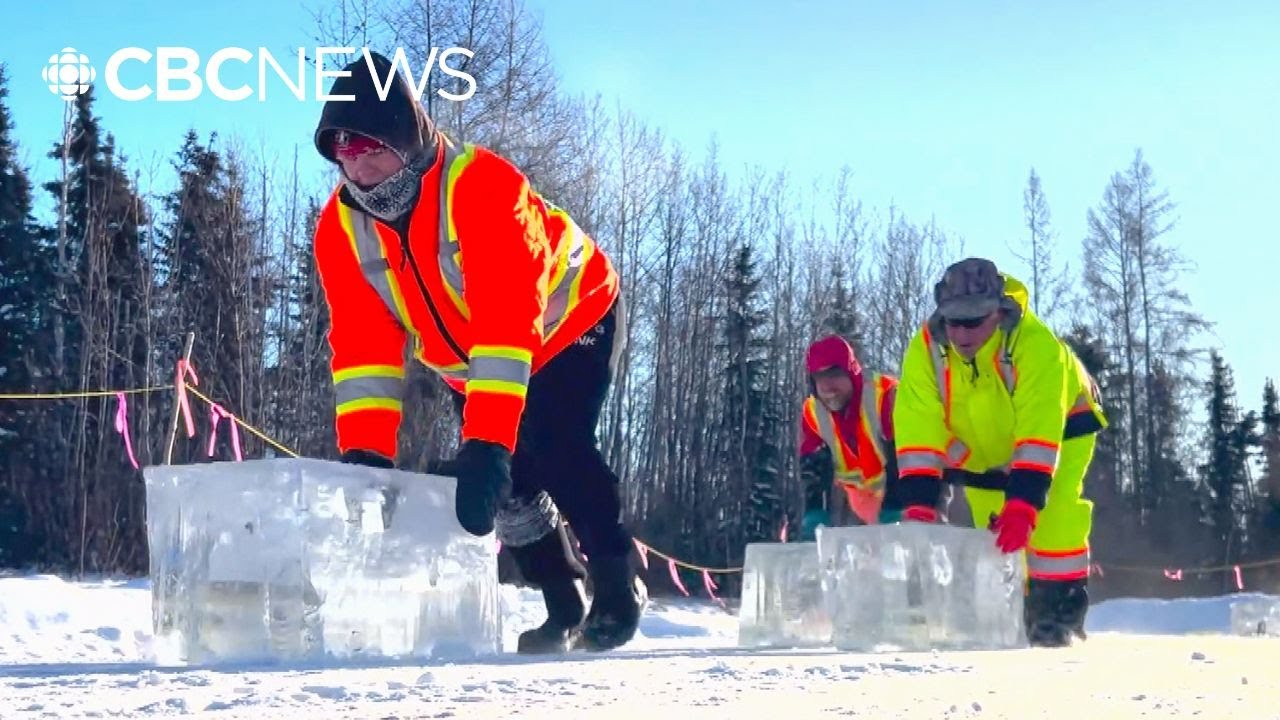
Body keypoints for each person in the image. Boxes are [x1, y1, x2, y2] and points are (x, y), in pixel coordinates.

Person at [310, 51, 645, 654]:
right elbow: (365, 349)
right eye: (345, 152)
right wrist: (367, 458)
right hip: (473, 360)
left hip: (570, 317)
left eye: (372, 149)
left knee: (551, 443)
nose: (358, 167)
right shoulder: (340, 229)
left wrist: (488, 442)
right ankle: (561, 601)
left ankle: (618, 582)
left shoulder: (485, 188)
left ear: (405, 139)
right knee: (504, 483)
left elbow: (506, 319)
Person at [892, 257, 1108, 647]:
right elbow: (917, 426)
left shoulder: (1034, 345)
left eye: (974, 320)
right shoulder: (925, 350)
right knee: (992, 531)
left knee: (1052, 516)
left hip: (1062, 427)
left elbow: (1039, 426)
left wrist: (1024, 502)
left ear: (999, 312)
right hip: (981, 444)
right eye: (953, 321)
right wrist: (920, 505)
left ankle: (1059, 614)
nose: (961, 332)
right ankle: (1011, 612)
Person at [796, 334, 906, 540]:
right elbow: (814, 471)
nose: (828, 386)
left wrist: (895, 504)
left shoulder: (886, 397)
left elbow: (906, 456)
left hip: (913, 495)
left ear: (851, 372)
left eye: (834, 374)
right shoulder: (813, 413)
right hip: (863, 505)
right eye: (819, 377)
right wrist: (815, 511)